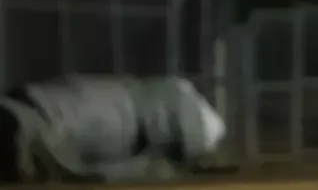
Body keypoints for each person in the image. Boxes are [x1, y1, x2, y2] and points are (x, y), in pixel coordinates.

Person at [0, 74, 226, 183]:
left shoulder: (124, 92)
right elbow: (90, 174)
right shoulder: (133, 129)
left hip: (24, 115)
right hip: (28, 128)